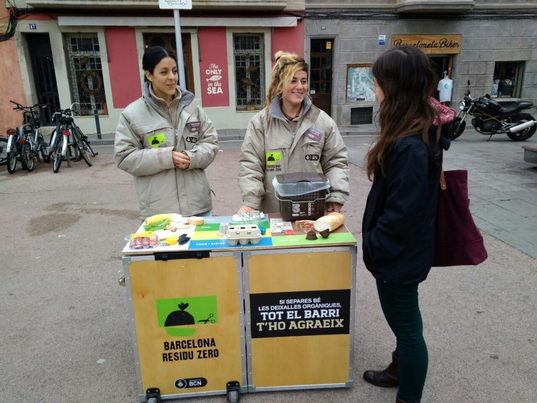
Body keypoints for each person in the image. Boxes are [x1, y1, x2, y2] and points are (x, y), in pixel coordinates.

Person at [361, 45, 449, 403]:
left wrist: (373, 243)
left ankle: (408, 396)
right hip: (401, 253)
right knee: (405, 323)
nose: (375, 88)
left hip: (399, 256)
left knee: (409, 328)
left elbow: (402, 214)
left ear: (394, 87)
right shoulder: (411, 131)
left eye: (378, 82)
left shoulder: (410, 146)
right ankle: (399, 369)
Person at [237, 51, 349, 215]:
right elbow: (251, 165)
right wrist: (250, 202)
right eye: (293, 81)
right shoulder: (261, 122)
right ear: (280, 84)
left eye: (304, 81)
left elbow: (336, 161)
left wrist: (336, 196)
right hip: (274, 212)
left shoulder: (322, 121)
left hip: (313, 210)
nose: (300, 87)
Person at [115, 46, 218, 219]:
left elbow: (211, 142)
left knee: (201, 247)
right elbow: (125, 157)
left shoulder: (193, 108)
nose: (172, 78)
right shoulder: (132, 114)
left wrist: (191, 158)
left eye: (175, 71)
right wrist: (166, 157)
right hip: (159, 213)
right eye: (164, 72)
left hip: (198, 208)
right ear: (149, 75)